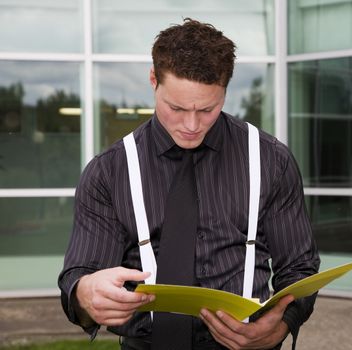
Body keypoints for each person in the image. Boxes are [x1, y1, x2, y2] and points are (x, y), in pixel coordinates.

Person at [58, 18, 320, 350]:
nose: (192, 125)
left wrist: (281, 325)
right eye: (176, 108)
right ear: (154, 80)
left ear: (226, 88)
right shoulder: (108, 172)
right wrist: (85, 293)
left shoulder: (272, 160)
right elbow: (79, 277)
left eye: (207, 109)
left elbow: (299, 266)